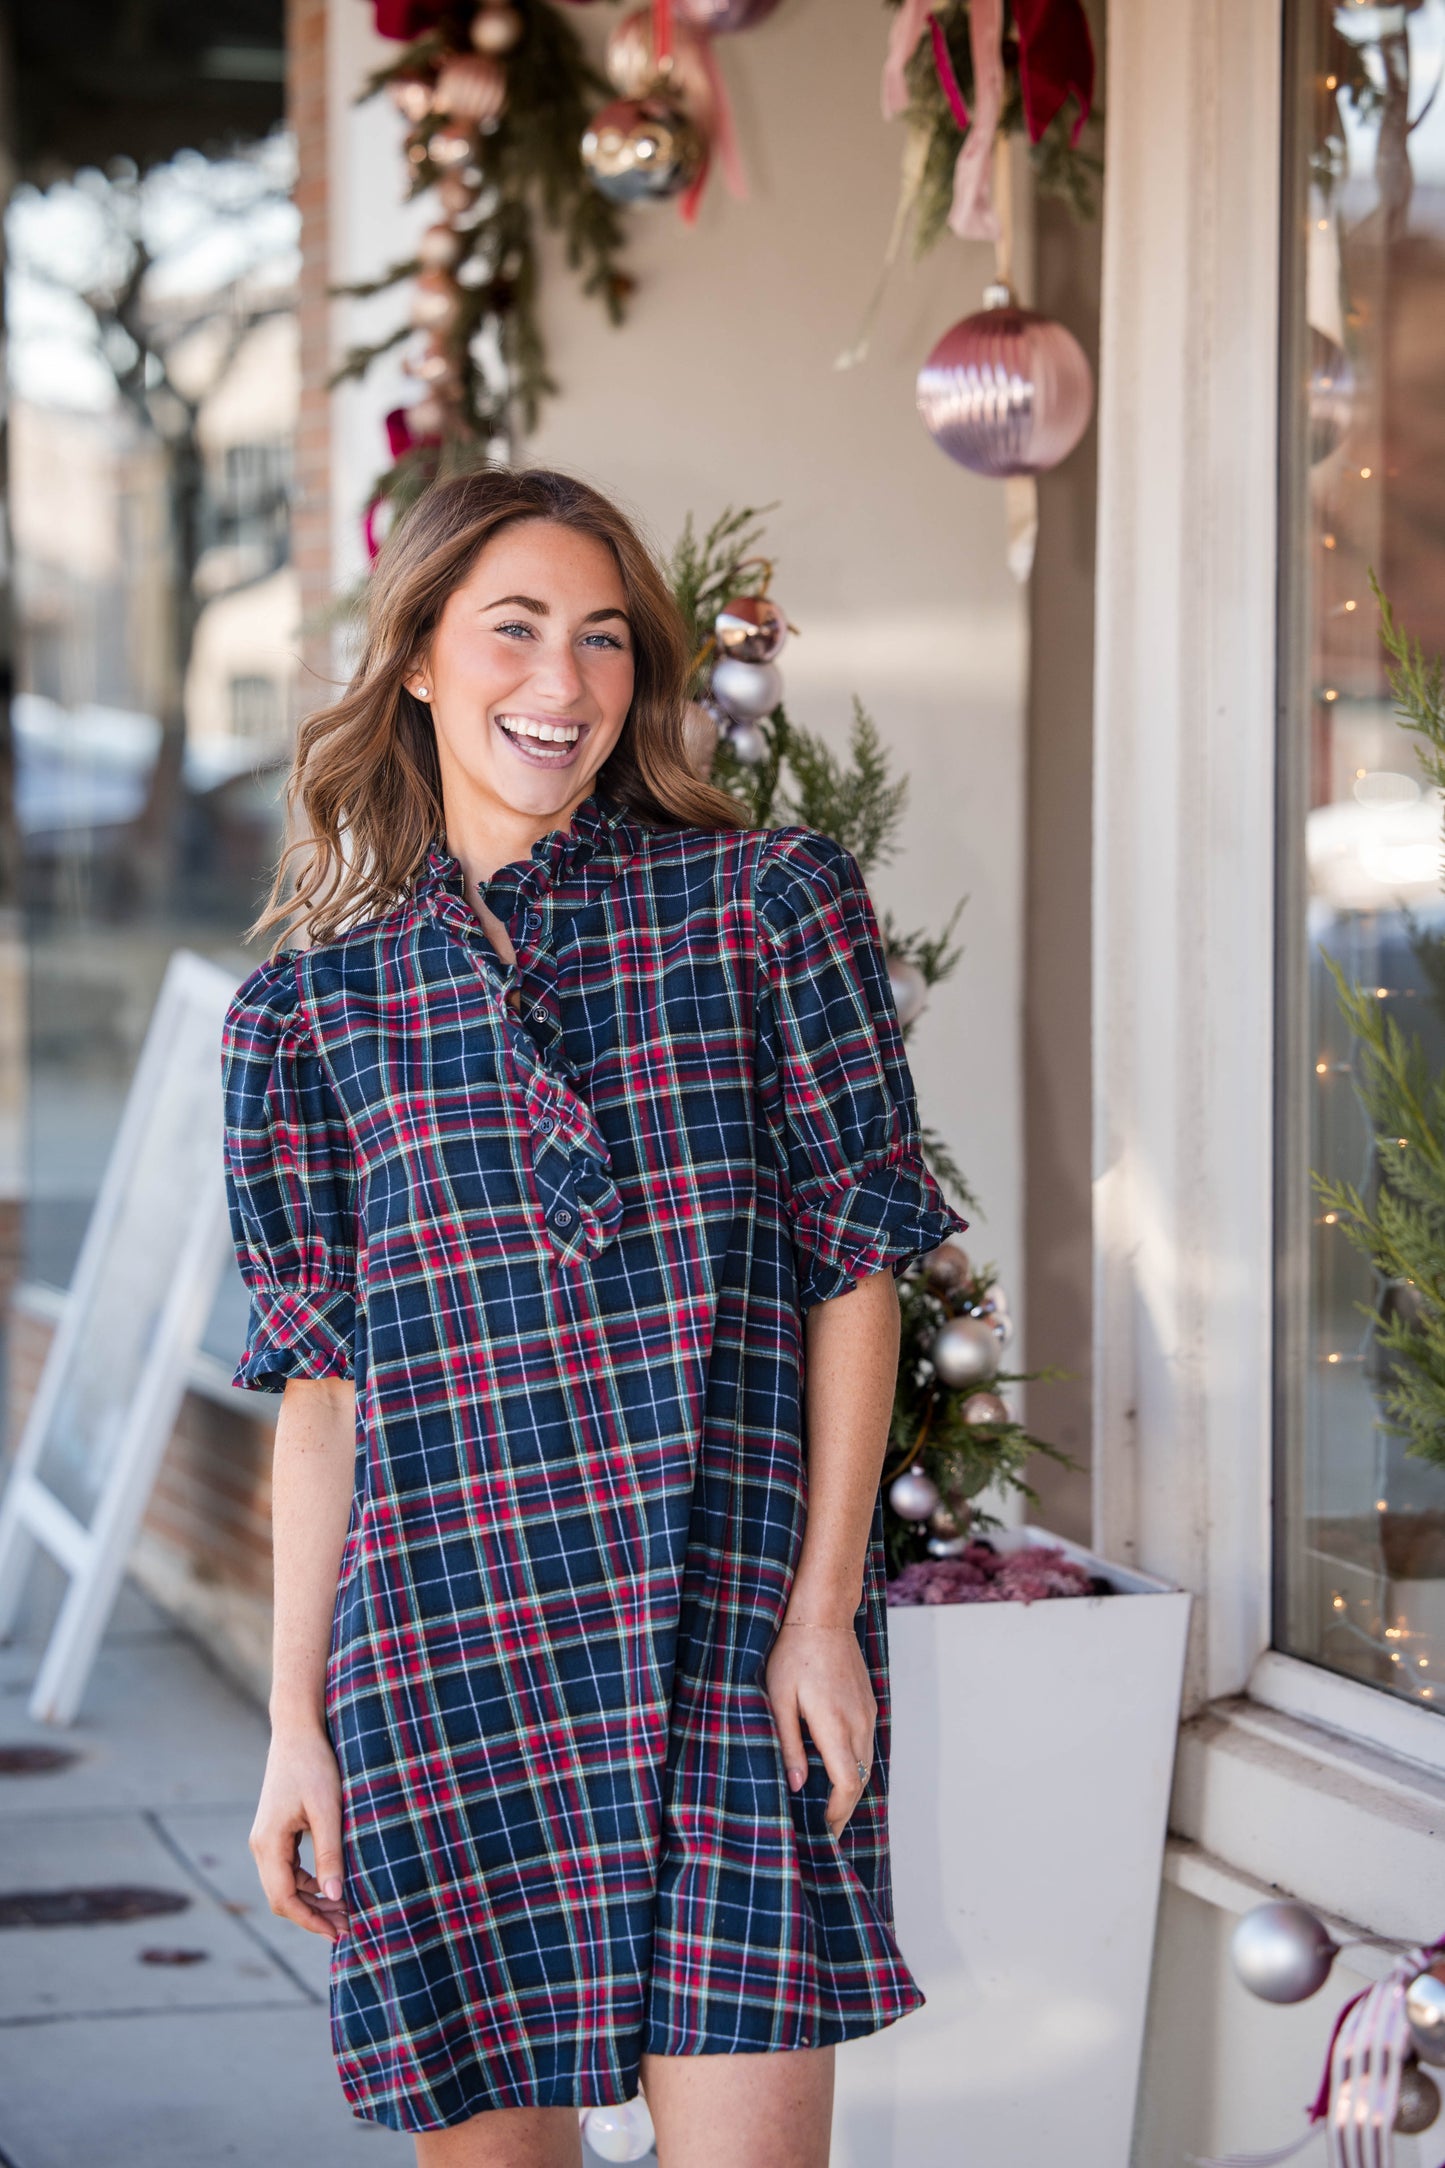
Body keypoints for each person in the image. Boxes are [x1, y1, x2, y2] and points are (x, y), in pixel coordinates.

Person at [221, 466, 966, 2168]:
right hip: (442, 1667)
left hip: (728, 1643)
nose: (562, 685)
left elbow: (855, 1263)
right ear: (415, 656)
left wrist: (823, 1613)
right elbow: (321, 1394)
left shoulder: (766, 908)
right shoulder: (305, 1018)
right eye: (514, 630)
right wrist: (291, 1722)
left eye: (605, 640)